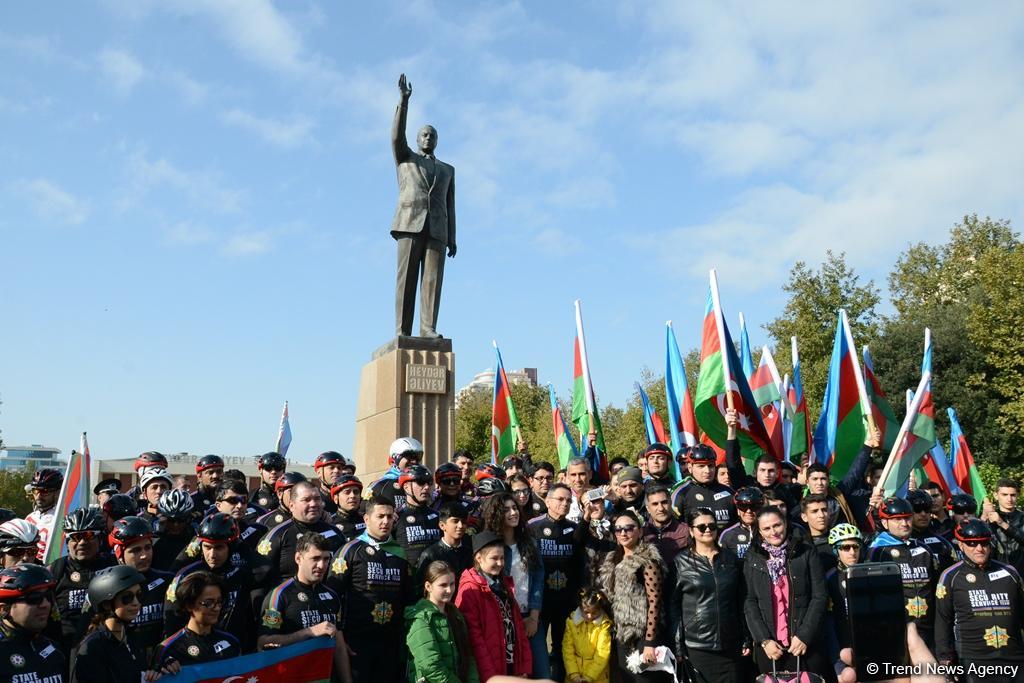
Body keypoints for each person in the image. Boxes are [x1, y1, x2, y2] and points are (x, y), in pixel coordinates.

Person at [391, 73, 456, 338]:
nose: (428, 138)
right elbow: (396, 137)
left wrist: (452, 237)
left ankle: (428, 328)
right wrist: (404, 102)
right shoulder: (405, 158)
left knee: (432, 284)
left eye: (432, 135)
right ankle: (402, 330)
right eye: (424, 134)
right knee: (406, 281)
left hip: (438, 230)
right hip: (410, 223)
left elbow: (450, 205)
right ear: (417, 139)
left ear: (437, 140)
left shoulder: (447, 169)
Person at [328, 496, 409, 683]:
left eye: (390, 517)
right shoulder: (349, 550)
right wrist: (340, 638)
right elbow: (332, 596)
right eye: (380, 516)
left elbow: (406, 597)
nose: (386, 522)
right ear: (366, 519)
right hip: (355, 642)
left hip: (390, 642)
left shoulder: (400, 552)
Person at [743, 506, 830, 679]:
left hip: (805, 642)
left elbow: (819, 596)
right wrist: (764, 640)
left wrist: (804, 635)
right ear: (759, 532)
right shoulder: (752, 557)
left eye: (777, 525)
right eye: (766, 528)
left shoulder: (806, 551)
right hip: (770, 647)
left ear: (786, 524)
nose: (773, 532)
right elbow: (749, 601)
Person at [935, 519, 1024, 681]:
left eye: (984, 543)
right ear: (960, 545)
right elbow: (942, 621)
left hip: (1014, 659)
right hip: (974, 661)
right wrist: (945, 660)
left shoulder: (1010, 573)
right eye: (972, 543)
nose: (979, 548)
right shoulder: (950, 576)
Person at [259, 533, 352, 683]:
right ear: (298, 559)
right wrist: (309, 632)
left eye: (326, 559)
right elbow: (263, 643)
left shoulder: (332, 596)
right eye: (315, 559)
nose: (321, 565)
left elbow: (339, 646)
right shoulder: (280, 595)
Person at [670, 508, 746, 683]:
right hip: (698, 646)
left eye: (712, 525)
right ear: (691, 530)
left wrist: (746, 637)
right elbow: (673, 606)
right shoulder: (680, 563)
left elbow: (741, 600)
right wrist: (677, 645)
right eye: (701, 527)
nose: (707, 530)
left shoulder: (730, 559)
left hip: (730, 644)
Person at [596, 510, 670, 683]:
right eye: (618, 529)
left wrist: (650, 643)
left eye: (629, 528)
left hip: (644, 633)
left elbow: (655, 603)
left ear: (640, 531)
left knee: (645, 679)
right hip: (621, 633)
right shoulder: (612, 558)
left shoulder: (648, 559)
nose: (623, 533)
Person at [164, 513, 255, 651]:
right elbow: (171, 620)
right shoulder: (186, 575)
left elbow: (267, 571)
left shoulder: (242, 572)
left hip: (234, 649)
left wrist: (240, 545)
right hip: (194, 650)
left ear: (230, 547)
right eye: (207, 547)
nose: (212, 555)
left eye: (219, 548)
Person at [71, 565, 177, 682]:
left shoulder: (130, 637)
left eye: (139, 595)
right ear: (106, 604)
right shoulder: (92, 648)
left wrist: (155, 671)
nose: (136, 603)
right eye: (127, 598)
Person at [482, 493, 545, 676]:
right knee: (513, 674)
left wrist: (533, 617)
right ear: (496, 514)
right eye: (507, 509)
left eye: (515, 508)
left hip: (530, 616)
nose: (513, 512)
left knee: (542, 673)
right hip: (505, 619)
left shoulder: (530, 543)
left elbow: (538, 580)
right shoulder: (489, 546)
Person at [456, 531, 532, 681]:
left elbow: (518, 628)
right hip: (490, 671)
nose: (500, 563)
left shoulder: (504, 584)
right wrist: (491, 676)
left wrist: (524, 667)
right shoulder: (470, 590)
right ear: (479, 558)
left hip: (511, 664)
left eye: (502, 558)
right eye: (494, 558)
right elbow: (474, 639)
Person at [867, 496, 939, 649]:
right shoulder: (876, 551)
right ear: (885, 523)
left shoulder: (924, 549)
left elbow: (935, 588)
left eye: (907, 518)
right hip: (895, 630)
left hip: (928, 628)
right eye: (897, 519)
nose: (904, 523)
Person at [529, 483, 584, 679]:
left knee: (563, 650)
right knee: (537, 649)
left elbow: (580, 564)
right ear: (548, 501)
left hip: (566, 601)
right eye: (560, 499)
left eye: (569, 500)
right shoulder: (533, 527)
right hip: (540, 602)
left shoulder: (575, 529)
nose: (565, 503)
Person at [48, 508, 116, 649]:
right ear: (67, 541)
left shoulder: (114, 565)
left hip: (107, 647)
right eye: (76, 537)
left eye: (89, 535)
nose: (82, 542)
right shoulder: (55, 570)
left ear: (100, 538)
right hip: (67, 649)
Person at [256, 481, 344, 585]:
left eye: (317, 499)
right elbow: (259, 579)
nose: (313, 504)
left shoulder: (335, 533)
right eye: (306, 500)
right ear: (292, 505)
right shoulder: (277, 536)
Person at [406, 560, 480, 683]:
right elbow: (430, 666)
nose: (449, 590)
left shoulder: (455, 614)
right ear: (428, 586)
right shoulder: (420, 618)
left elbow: (468, 655)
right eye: (443, 585)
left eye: (452, 584)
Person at [107, 515, 172, 654]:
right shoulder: (105, 587)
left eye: (148, 547)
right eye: (136, 550)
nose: (144, 555)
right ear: (119, 554)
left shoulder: (168, 581)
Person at [154, 571, 242, 667]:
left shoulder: (231, 642)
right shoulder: (169, 649)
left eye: (219, 601)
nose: (216, 608)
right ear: (189, 605)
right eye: (209, 603)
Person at [0, 564, 67, 681]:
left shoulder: (54, 649)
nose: (45, 604)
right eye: (34, 598)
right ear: (4, 609)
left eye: (48, 597)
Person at [824, 524, 863, 683]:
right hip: (842, 648)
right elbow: (829, 623)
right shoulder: (830, 579)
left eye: (855, 547)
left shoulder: (870, 573)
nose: (852, 553)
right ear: (836, 551)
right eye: (845, 548)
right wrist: (837, 664)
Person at [672, 444, 736, 529]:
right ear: (690, 468)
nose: (707, 471)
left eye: (710, 466)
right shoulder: (681, 493)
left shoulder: (729, 492)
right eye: (701, 466)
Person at [415, 501, 473, 587]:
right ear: (442, 525)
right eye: (455, 521)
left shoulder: (470, 552)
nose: (460, 526)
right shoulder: (430, 554)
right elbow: (419, 587)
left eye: (463, 522)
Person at [394, 465, 442, 570]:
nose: (426, 487)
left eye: (429, 483)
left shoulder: (437, 516)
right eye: (420, 482)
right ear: (406, 486)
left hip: (436, 577)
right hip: (409, 579)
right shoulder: (395, 517)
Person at [562, 587, 612, 683]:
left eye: (594, 613)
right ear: (580, 608)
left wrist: (589, 677)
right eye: (586, 612)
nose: (590, 616)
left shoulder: (604, 625)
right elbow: (567, 650)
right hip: (574, 677)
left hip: (597, 678)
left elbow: (602, 653)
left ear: (600, 609)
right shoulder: (571, 622)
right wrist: (574, 674)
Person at [213, 480, 267, 556]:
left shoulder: (258, 532)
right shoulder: (207, 532)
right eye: (233, 500)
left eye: (243, 500)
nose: (240, 506)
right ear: (218, 505)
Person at [370, 436, 425, 511]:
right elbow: (366, 513)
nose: (414, 462)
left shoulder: (423, 483)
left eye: (417, 458)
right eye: (409, 457)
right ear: (396, 458)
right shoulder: (379, 485)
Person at [907, 489, 956, 572]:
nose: (923, 514)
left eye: (927, 509)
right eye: (917, 510)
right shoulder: (900, 542)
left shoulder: (943, 544)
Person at [983, 477, 1024, 574]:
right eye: (1004, 495)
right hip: (995, 572)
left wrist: (1001, 523)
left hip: (1021, 572)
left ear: (1017, 495)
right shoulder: (988, 517)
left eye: (1013, 495)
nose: (1009, 499)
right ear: (996, 495)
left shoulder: (1022, 517)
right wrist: (984, 516)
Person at [642, 485, 689, 567]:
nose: (661, 508)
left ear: (671, 503)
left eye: (664, 502)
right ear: (648, 509)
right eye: (655, 504)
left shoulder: (686, 530)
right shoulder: (641, 533)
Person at [151, 489, 196, 572]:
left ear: (189, 519)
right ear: (162, 517)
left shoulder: (195, 538)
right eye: (171, 520)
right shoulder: (153, 539)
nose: (176, 525)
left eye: (181, 520)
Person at [26, 468, 62, 561]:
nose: (38, 496)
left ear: (58, 492)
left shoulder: (61, 519)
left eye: (44, 491)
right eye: (35, 491)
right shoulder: (30, 517)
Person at [719, 486, 764, 562]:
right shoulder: (728, 535)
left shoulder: (768, 531)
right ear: (737, 510)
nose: (748, 511)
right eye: (743, 506)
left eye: (753, 506)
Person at [799, 494, 837, 573]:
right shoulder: (802, 546)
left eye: (824, 510)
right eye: (814, 511)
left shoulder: (841, 539)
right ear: (804, 517)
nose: (821, 515)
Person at [331, 475, 366, 541]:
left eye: (356, 492)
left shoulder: (368, 520)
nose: (352, 496)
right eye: (347, 492)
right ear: (336, 498)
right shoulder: (330, 523)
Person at [564, 457, 591, 523]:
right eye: (573, 475)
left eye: (582, 474)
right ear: (567, 476)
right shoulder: (560, 499)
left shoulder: (602, 496)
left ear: (590, 474)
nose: (577, 479)